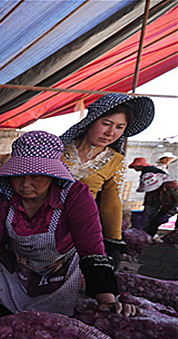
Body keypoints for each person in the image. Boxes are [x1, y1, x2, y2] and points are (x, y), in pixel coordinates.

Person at [0, 131, 137, 324]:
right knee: (7, 322)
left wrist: (106, 298)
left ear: (52, 174)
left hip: (60, 269)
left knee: (52, 326)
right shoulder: (2, 201)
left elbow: (91, 249)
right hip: (14, 268)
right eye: (18, 174)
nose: (26, 183)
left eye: (36, 176)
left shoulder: (76, 197)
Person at [60, 92, 154, 267]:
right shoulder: (57, 150)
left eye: (120, 127)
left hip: (77, 230)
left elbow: (112, 204)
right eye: (106, 124)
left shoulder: (115, 161)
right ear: (90, 122)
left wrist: (113, 243)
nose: (111, 133)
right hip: (37, 224)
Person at [137, 166, 178, 237]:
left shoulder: (172, 186)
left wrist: (168, 214)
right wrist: (147, 217)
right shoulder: (151, 192)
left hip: (173, 205)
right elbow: (150, 204)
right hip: (166, 206)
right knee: (153, 223)